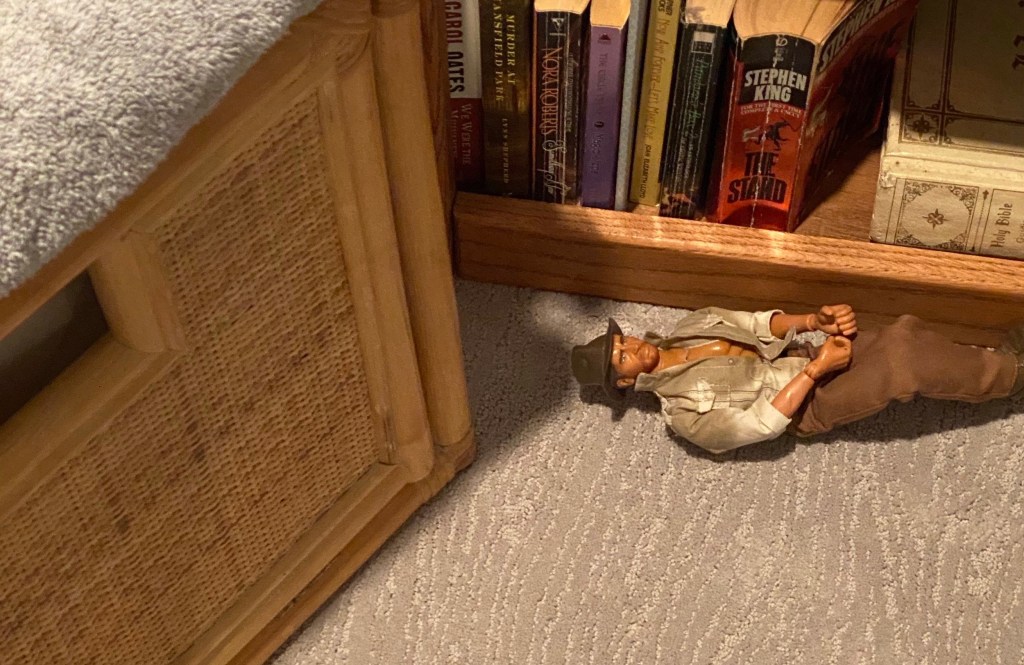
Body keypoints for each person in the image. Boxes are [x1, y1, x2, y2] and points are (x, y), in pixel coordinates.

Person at [570, 305, 1024, 454]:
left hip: (803, 353)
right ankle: (1013, 377)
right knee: (900, 369)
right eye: (622, 359)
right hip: (811, 402)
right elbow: (761, 423)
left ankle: (998, 365)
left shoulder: (693, 324)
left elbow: (756, 324)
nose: (633, 349)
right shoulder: (684, 416)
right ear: (624, 383)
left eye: (624, 341)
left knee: (902, 333)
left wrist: (812, 321)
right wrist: (816, 372)